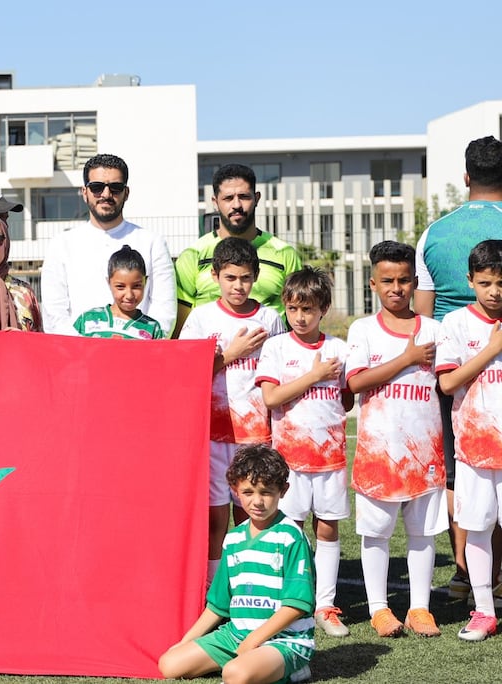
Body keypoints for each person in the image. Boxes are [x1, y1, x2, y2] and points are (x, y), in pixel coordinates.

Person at [415, 136, 502, 600]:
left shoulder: (434, 233)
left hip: (454, 370)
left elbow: (424, 317)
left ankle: (464, 573)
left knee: (459, 472)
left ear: (466, 177)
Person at [345, 241, 445, 638]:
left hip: (426, 451)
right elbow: (356, 382)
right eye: (387, 281)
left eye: (404, 280)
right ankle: (379, 609)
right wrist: (406, 358)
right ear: (373, 283)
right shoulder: (363, 330)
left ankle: (420, 608)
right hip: (379, 452)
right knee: (376, 532)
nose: (396, 288)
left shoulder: (434, 330)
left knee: (423, 533)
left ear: (415, 282)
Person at [157, 444, 314, 684]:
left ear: (283, 491)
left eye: (266, 492)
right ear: (235, 491)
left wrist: (253, 641)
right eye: (248, 492)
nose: (257, 501)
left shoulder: (291, 537)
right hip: (235, 636)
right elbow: (218, 605)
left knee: (235, 673)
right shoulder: (233, 539)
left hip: (284, 641)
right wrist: (185, 642)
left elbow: (296, 606)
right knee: (169, 664)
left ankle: (294, 669)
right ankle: (251, 665)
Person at [179, 238, 285, 587]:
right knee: (215, 520)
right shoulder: (201, 318)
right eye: (230, 278)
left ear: (256, 276)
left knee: (252, 514)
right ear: (215, 276)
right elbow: (186, 374)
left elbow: (281, 372)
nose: (238, 286)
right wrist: (230, 354)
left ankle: (251, 583)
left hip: (256, 436)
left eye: (245, 278)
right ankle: (214, 590)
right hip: (213, 434)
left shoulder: (269, 318)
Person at [254, 267, 353, 638]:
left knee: (327, 527)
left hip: (330, 459)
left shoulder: (339, 349)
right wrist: (314, 375)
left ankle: (326, 605)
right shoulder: (277, 347)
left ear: (323, 309)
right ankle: (291, 604)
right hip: (289, 462)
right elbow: (271, 398)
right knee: (290, 531)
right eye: (293, 309)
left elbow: (347, 398)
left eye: (308, 309)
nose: (299, 317)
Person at [435, 239, 502, 641]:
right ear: (470, 281)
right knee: (477, 528)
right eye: (486, 283)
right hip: (475, 450)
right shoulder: (456, 324)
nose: (494, 291)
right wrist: (492, 349)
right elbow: (447, 383)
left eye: (501, 283)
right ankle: (484, 611)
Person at [41, 154, 176, 336]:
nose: (106, 194)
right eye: (97, 187)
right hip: (77, 351)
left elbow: (164, 312)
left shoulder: (152, 243)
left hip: (140, 351)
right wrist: (87, 350)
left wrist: (138, 346)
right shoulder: (61, 245)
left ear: (126, 193)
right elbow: (54, 316)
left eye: (115, 188)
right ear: (84, 192)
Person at [174, 164, 303, 336]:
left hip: (270, 350)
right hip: (212, 353)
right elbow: (181, 327)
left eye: (244, 197)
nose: (236, 205)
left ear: (256, 198)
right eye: (228, 198)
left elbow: (301, 312)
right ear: (215, 202)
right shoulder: (193, 256)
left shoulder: (284, 254)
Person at [73, 245, 165, 340]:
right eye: (120, 287)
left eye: (136, 286)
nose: (129, 295)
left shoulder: (152, 329)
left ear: (145, 282)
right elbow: (68, 348)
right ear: (109, 282)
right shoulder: (87, 320)